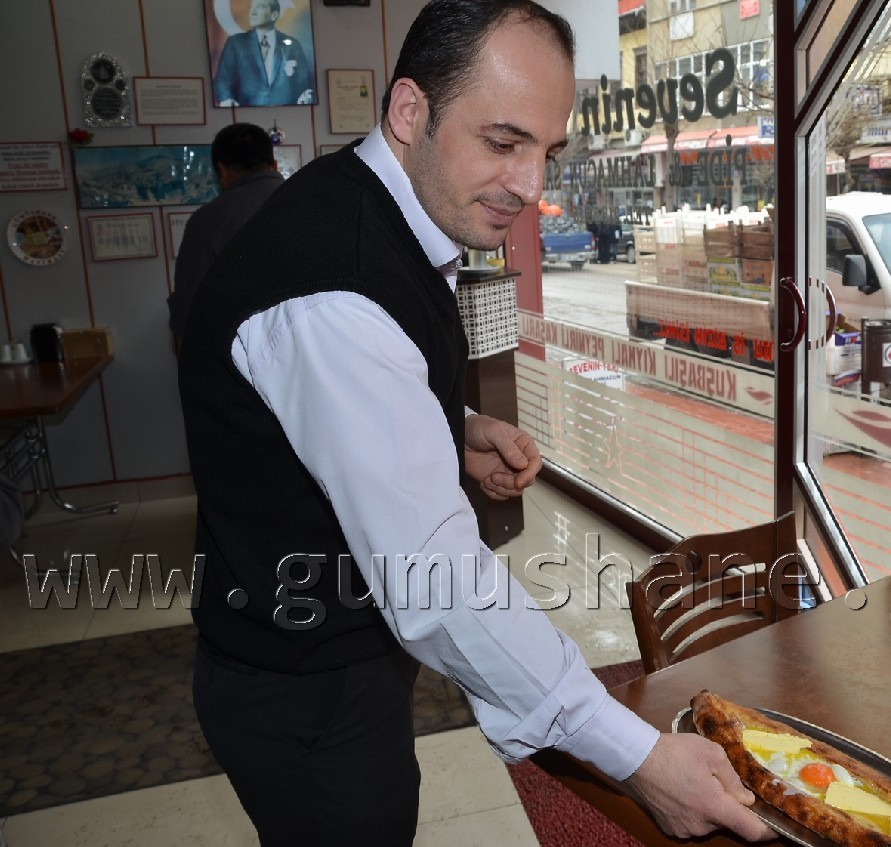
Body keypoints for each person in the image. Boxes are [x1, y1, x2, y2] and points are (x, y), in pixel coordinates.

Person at [177, 2, 773, 846]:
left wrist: (448, 425)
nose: (532, 187)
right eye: (503, 142)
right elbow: (434, 578)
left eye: (547, 151)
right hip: (299, 685)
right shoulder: (334, 286)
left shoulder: (376, 207)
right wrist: (635, 754)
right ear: (411, 111)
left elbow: (332, 397)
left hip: (345, 641)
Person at [167, 123, 283, 341]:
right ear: (274, 165)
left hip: (240, 355)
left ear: (222, 169)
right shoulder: (313, 203)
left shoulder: (210, 220)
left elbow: (189, 309)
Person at [212, 0, 315, 107]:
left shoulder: (292, 45)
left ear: (274, 15)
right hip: (246, 113)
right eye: (252, 7)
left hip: (288, 114)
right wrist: (226, 99)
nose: (253, 12)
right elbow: (222, 80)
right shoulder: (236, 44)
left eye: (260, 7)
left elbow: (303, 83)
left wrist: (306, 99)